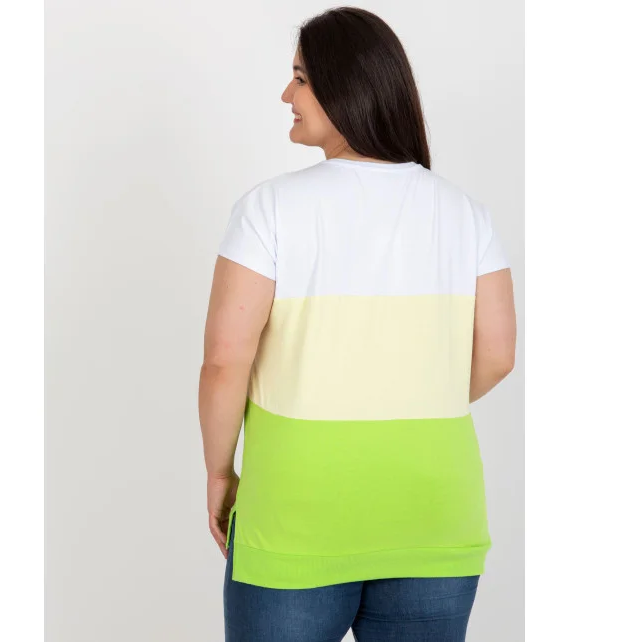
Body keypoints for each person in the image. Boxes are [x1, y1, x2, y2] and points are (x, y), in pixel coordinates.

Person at [198, 6, 516, 642]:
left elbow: (225, 360)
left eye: (300, 79)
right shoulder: (465, 215)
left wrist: (220, 472)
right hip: (434, 516)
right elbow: (498, 356)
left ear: (347, 86)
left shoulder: (268, 210)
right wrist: (408, 398)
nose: (286, 95)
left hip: (295, 516)